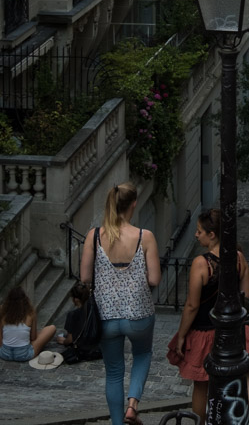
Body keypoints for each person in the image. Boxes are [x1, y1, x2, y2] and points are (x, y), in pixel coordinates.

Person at [79, 182, 161, 425]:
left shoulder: (94, 236)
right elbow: (155, 278)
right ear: (134, 204)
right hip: (139, 314)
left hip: (106, 317)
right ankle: (133, 404)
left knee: (114, 373)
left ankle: (117, 423)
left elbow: (84, 278)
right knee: (143, 353)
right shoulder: (144, 237)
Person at [173, 208, 249, 425]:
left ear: (212, 235)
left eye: (200, 231)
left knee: (201, 385)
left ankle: (201, 423)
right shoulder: (238, 258)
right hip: (232, 332)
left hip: (203, 331)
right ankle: (234, 415)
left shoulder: (201, 264)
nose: (196, 235)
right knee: (240, 375)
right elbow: (247, 298)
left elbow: (192, 305)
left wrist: (182, 335)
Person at [0, 285, 56, 362]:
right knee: (51, 328)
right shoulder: (31, 312)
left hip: (4, 353)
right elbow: (33, 338)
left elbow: (2, 336)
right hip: (24, 354)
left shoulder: (3, 311)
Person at [59, 281, 102, 363]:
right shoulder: (94, 307)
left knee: (63, 337)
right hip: (97, 346)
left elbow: (70, 339)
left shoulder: (72, 315)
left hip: (83, 349)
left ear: (76, 299)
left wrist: (63, 341)